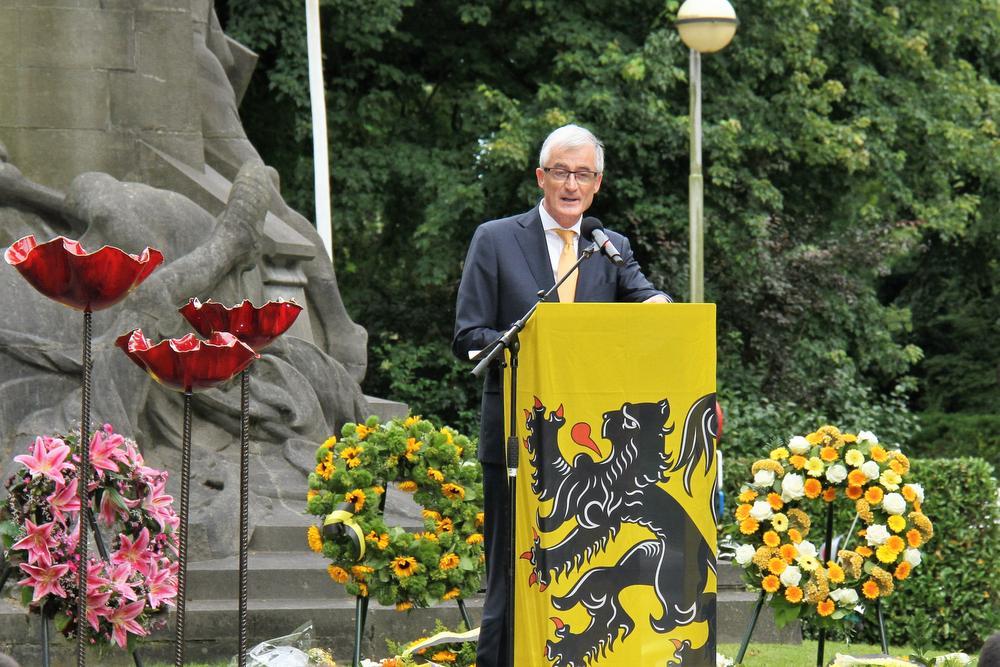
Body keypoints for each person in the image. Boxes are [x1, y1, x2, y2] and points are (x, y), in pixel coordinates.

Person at [452, 124, 670, 667]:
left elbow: (644, 298)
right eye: (561, 173)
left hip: (591, 445)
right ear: (541, 177)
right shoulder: (496, 238)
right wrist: (535, 342)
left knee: (589, 573)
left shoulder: (609, 246)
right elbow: (469, 336)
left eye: (583, 175)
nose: (571, 185)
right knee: (513, 569)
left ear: (597, 184)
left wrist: (661, 306)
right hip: (517, 436)